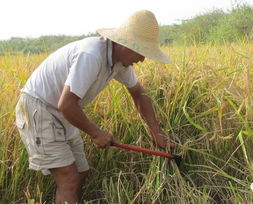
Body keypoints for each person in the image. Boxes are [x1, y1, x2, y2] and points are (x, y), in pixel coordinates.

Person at [15, 10, 172, 203]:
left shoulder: (119, 63)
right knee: (69, 178)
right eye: (142, 52)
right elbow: (66, 103)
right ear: (126, 44)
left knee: (81, 173)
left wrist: (156, 133)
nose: (142, 59)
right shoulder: (91, 55)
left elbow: (139, 93)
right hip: (40, 110)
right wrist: (96, 133)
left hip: (62, 113)